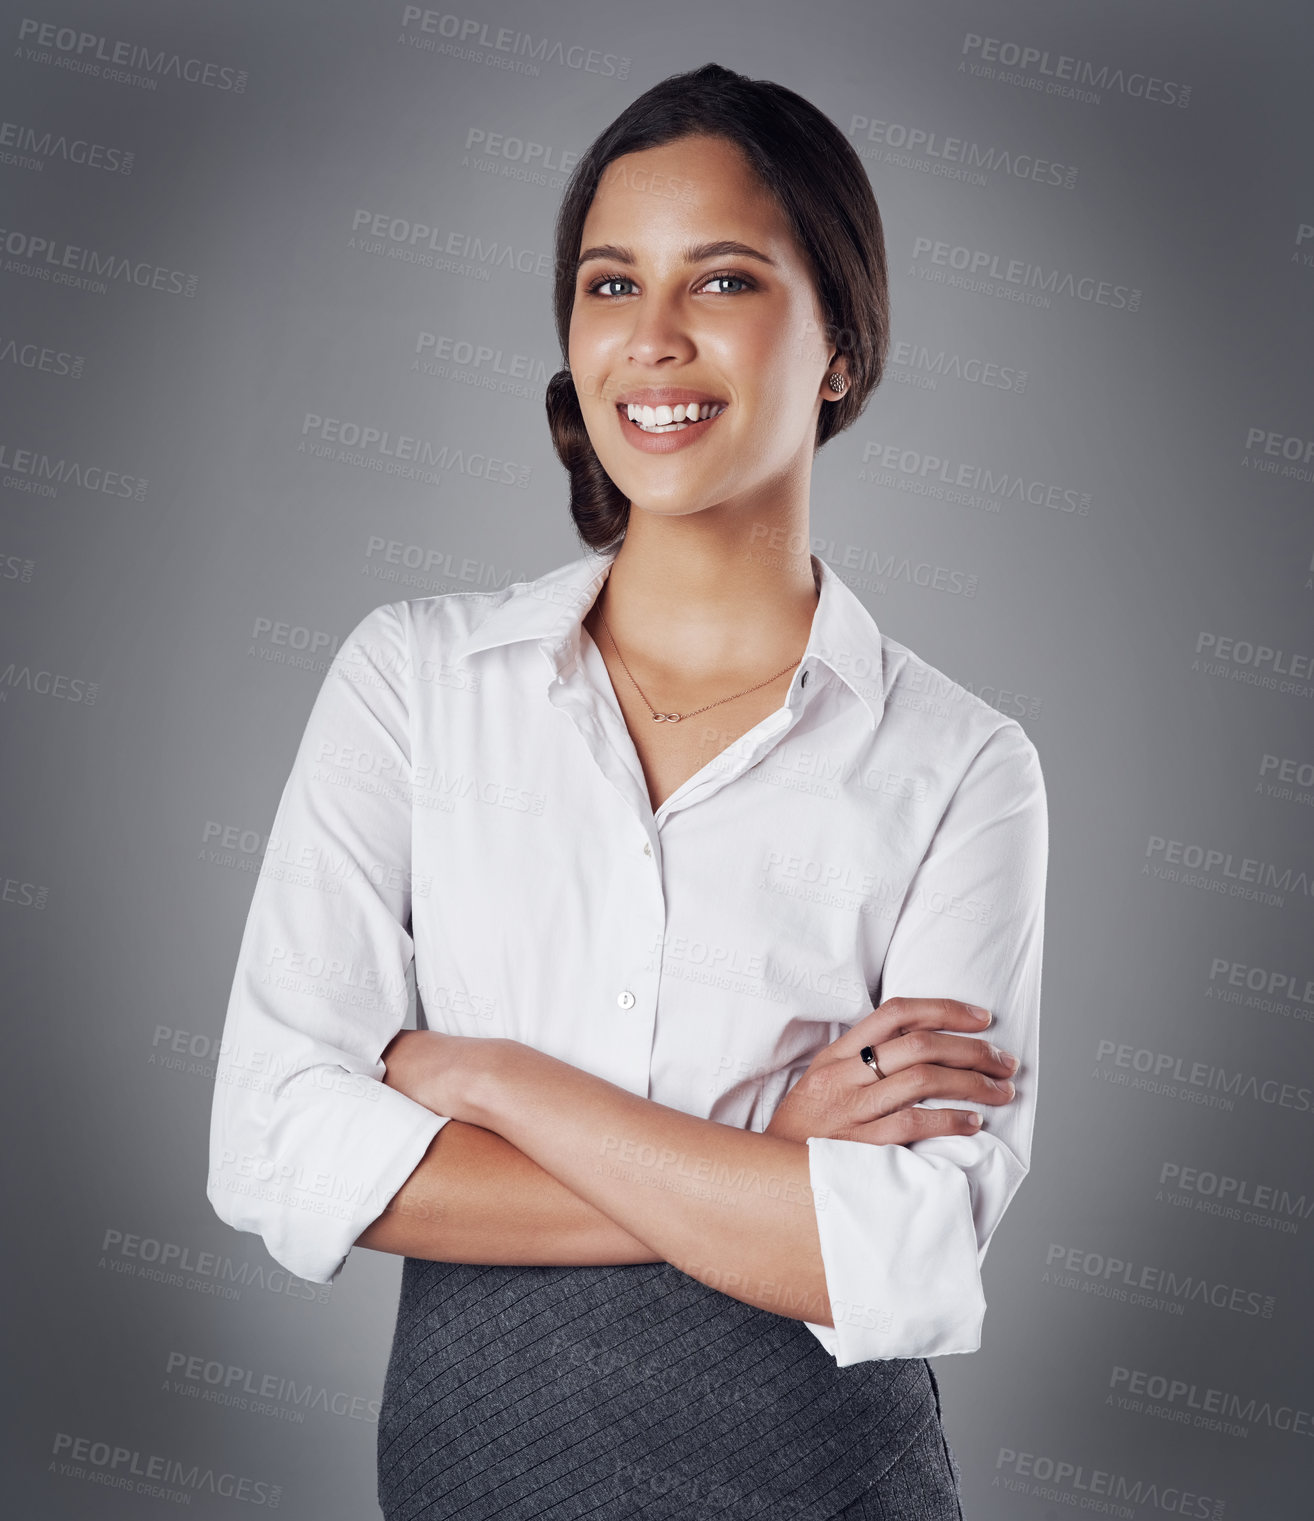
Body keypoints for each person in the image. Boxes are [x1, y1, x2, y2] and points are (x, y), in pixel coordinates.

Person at [207, 62, 1047, 1520]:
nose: (650, 341)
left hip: (825, 1481)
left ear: (839, 344)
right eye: (609, 286)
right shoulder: (413, 681)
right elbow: (273, 1148)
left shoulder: (962, 763)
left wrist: (490, 1079)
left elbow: (901, 1253)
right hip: (480, 1474)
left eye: (719, 282)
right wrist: (765, 1169)